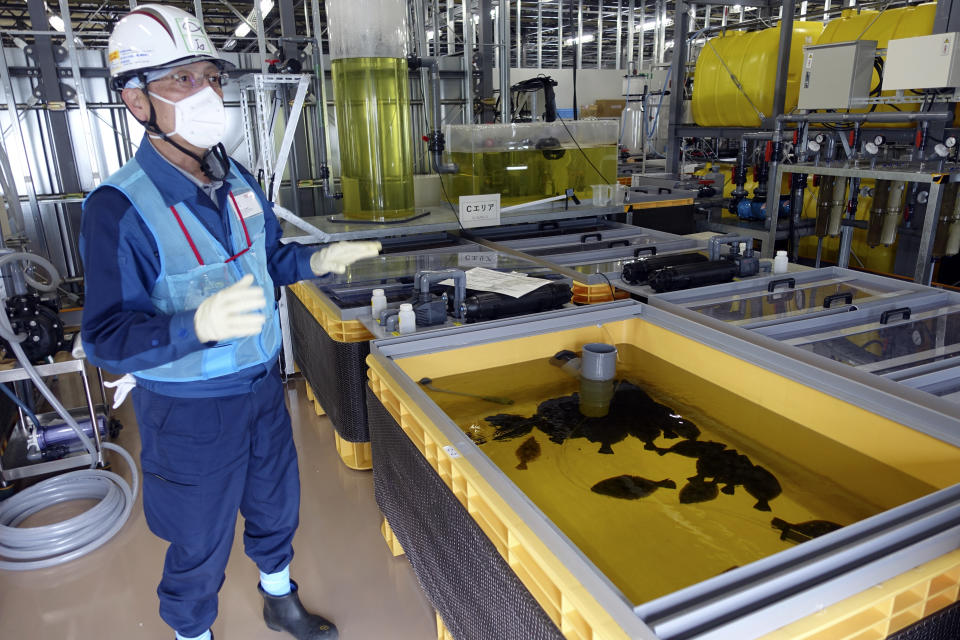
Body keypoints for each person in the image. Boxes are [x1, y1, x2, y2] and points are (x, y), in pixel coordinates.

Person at [80, 5, 380, 640]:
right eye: (182, 80)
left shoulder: (237, 177)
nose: (208, 93)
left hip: (262, 389)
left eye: (211, 76)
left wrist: (315, 259)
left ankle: (279, 599)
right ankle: (193, 631)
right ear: (137, 101)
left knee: (276, 506)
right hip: (189, 411)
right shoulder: (119, 208)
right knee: (197, 535)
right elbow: (105, 339)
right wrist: (196, 326)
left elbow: (268, 259)